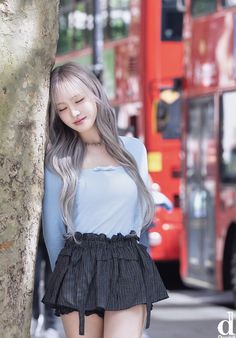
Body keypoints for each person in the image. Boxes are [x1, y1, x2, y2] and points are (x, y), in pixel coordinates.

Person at [41, 62, 168, 338]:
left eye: (79, 100)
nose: (73, 113)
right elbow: (52, 232)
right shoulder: (58, 162)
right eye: (61, 108)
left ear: (95, 94)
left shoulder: (134, 150)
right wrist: (62, 282)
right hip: (77, 266)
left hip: (126, 261)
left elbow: (142, 213)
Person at [31, 225, 59, 338]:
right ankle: (34, 317)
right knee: (33, 281)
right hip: (33, 238)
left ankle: (51, 325)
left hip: (54, 234)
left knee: (51, 282)